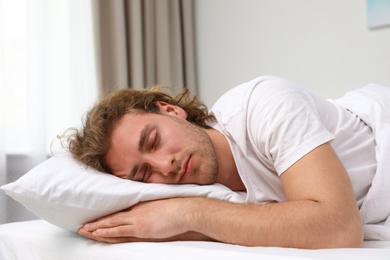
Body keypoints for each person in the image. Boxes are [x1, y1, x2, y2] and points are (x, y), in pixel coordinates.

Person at [67, 75, 390, 249]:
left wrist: (189, 214)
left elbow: (338, 229)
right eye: (143, 173)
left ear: (170, 110)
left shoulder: (262, 103)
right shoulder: (183, 192)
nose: (165, 167)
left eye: (154, 141)